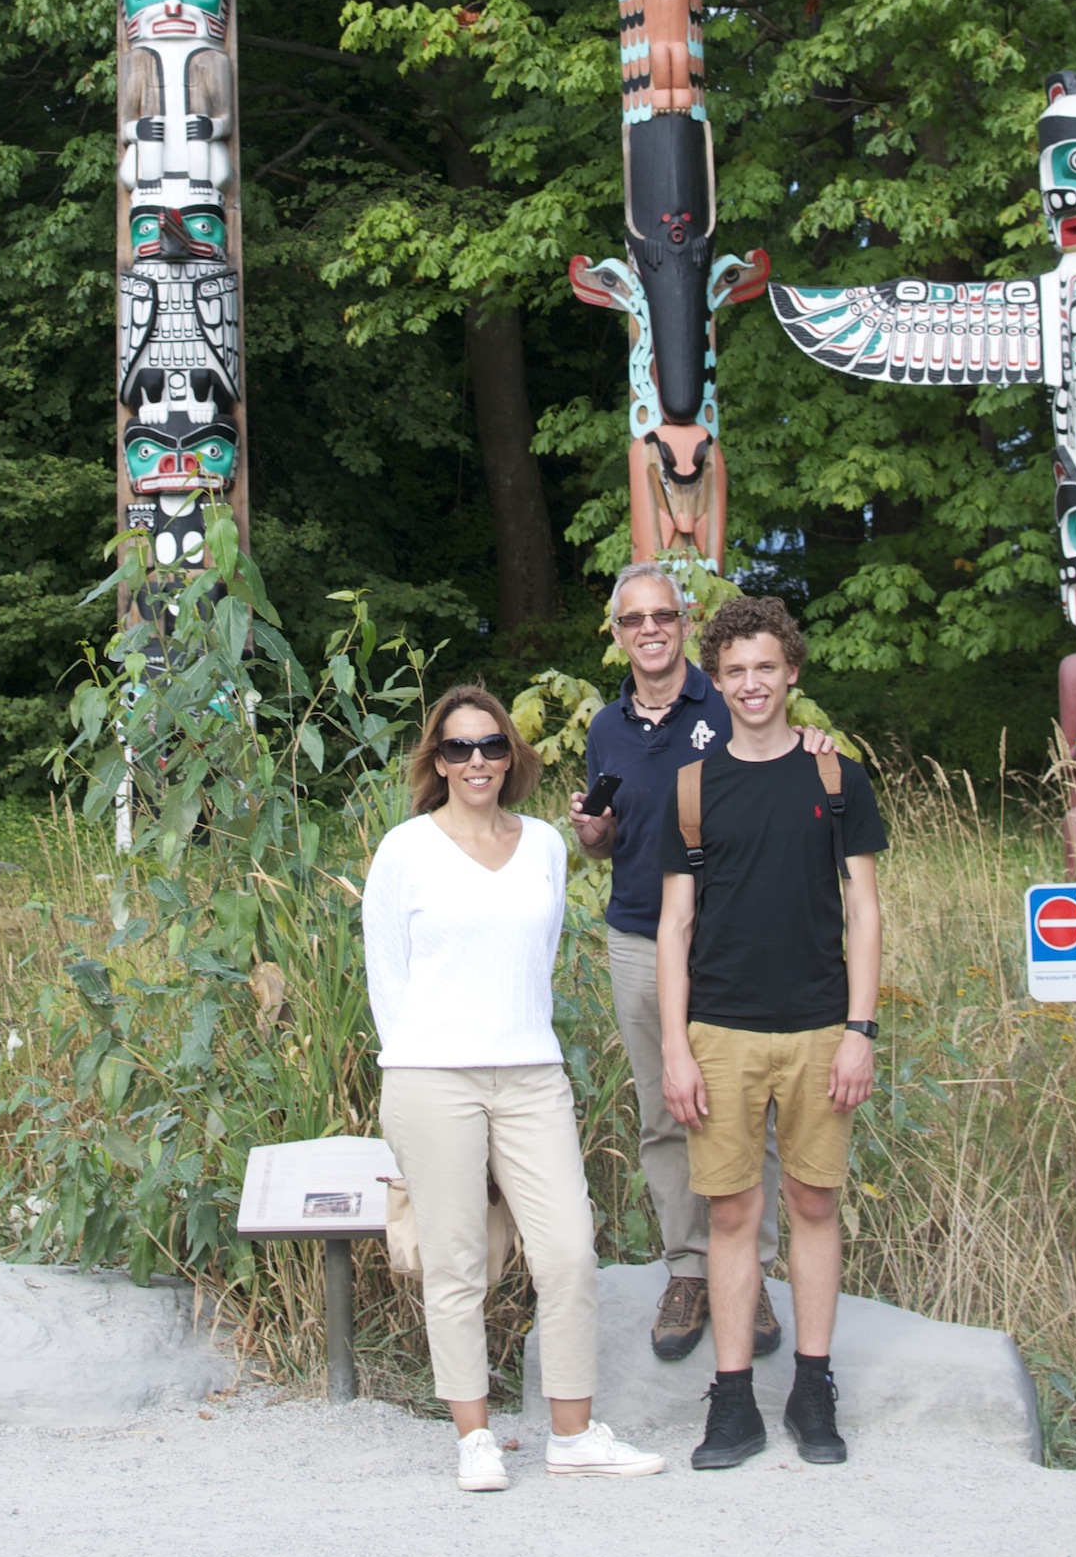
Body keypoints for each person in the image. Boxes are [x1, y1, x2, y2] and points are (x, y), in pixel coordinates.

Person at [363, 682, 665, 1493]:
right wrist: (423, 1063)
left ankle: (572, 1431)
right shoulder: (405, 849)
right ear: (437, 759)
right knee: (456, 1261)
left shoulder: (544, 845)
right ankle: (474, 1436)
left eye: (490, 746)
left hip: (532, 1072)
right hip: (431, 1076)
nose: (476, 762)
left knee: (568, 1250)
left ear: (511, 755)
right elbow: (385, 980)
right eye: (458, 748)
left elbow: (535, 962)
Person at [658, 595, 886, 1471]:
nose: (752, 685)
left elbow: (863, 909)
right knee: (731, 1211)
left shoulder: (837, 778)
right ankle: (731, 1401)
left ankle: (814, 1386)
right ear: (716, 684)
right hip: (720, 1028)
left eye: (766, 668)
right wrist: (677, 1045)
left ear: (792, 673)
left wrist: (860, 1029)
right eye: (735, 672)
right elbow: (676, 924)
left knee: (814, 1201)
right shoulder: (693, 786)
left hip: (820, 1025)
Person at [570, 560, 806, 1364]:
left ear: (683, 620)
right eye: (633, 621)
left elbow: (782, 758)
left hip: (732, 938)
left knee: (752, 1112)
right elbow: (610, 840)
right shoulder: (605, 727)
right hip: (641, 934)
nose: (649, 632)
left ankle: (753, 1269)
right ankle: (690, 1269)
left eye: (662, 617)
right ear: (617, 634)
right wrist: (592, 836)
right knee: (667, 1113)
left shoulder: (730, 695)